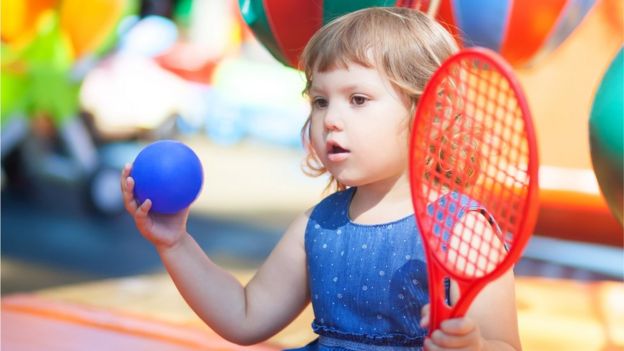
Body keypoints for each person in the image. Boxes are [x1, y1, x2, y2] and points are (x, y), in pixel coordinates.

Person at [121, 7, 522, 351]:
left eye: (358, 100)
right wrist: (175, 243)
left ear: (431, 112)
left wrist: (476, 345)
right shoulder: (320, 224)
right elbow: (245, 315)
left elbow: (504, 343)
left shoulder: (462, 230)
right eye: (319, 100)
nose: (330, 119)